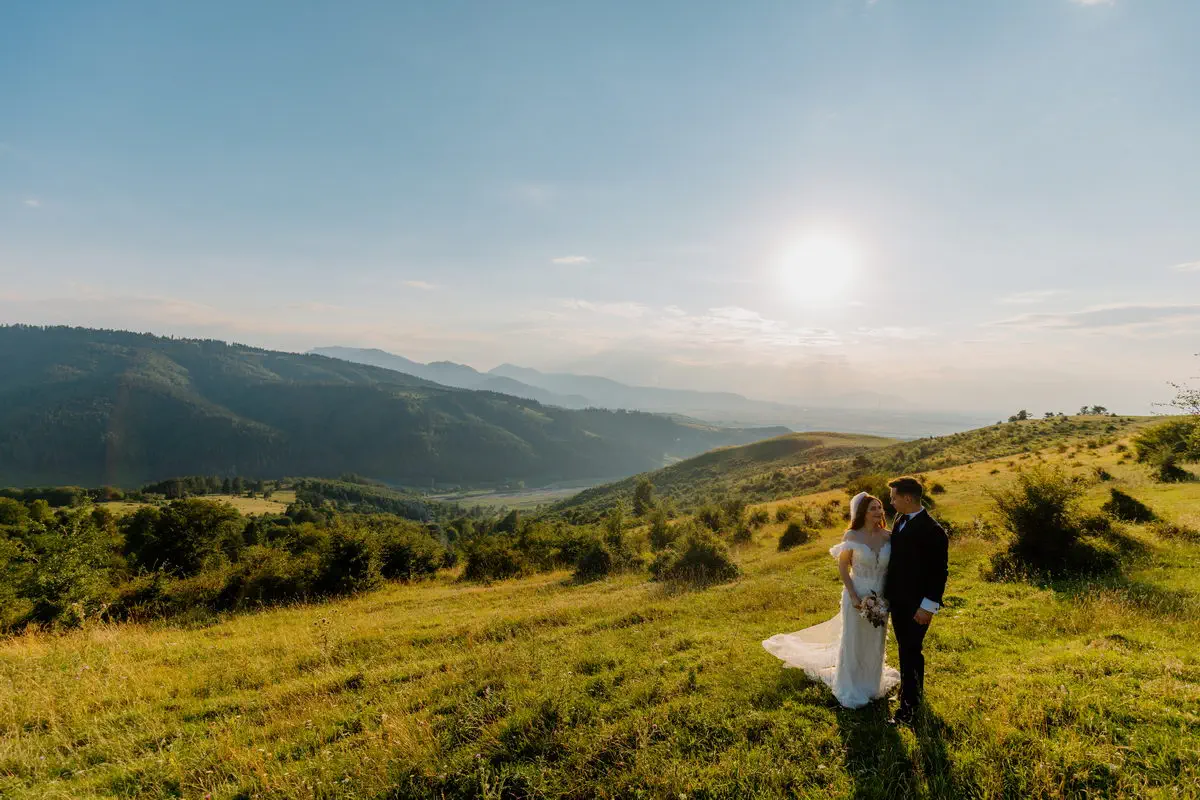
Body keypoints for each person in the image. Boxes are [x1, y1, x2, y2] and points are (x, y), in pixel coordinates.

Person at [762, 492, 900, 709]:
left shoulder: (889, 536)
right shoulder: (852, 536)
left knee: (876, 640)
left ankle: (872, 684)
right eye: (873, 508)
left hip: (881, 597)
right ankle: (852, 685)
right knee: (854, 640)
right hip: (856, 595)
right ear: (862, 513)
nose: (878, 512)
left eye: (880, 507)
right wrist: (854, 595)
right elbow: (843, 567)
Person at [883, 475, 949, 725]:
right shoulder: (901, 520)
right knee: (905, 650)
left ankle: (908, 710)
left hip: (917, 606)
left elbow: (939, 573)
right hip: (899, 602)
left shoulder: (933, 532)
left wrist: (927, 608)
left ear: (907, 498)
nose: (891, 502)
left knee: (911, 652)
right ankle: (911, 694)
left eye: (893, 497)